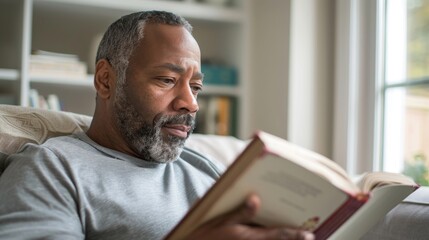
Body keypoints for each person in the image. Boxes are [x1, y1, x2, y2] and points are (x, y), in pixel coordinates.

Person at [0, 11, 314, 240]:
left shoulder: (203, 168)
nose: (190, 103)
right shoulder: (51, 168)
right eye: (167, 80)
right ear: (106, 79)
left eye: (196, 87)